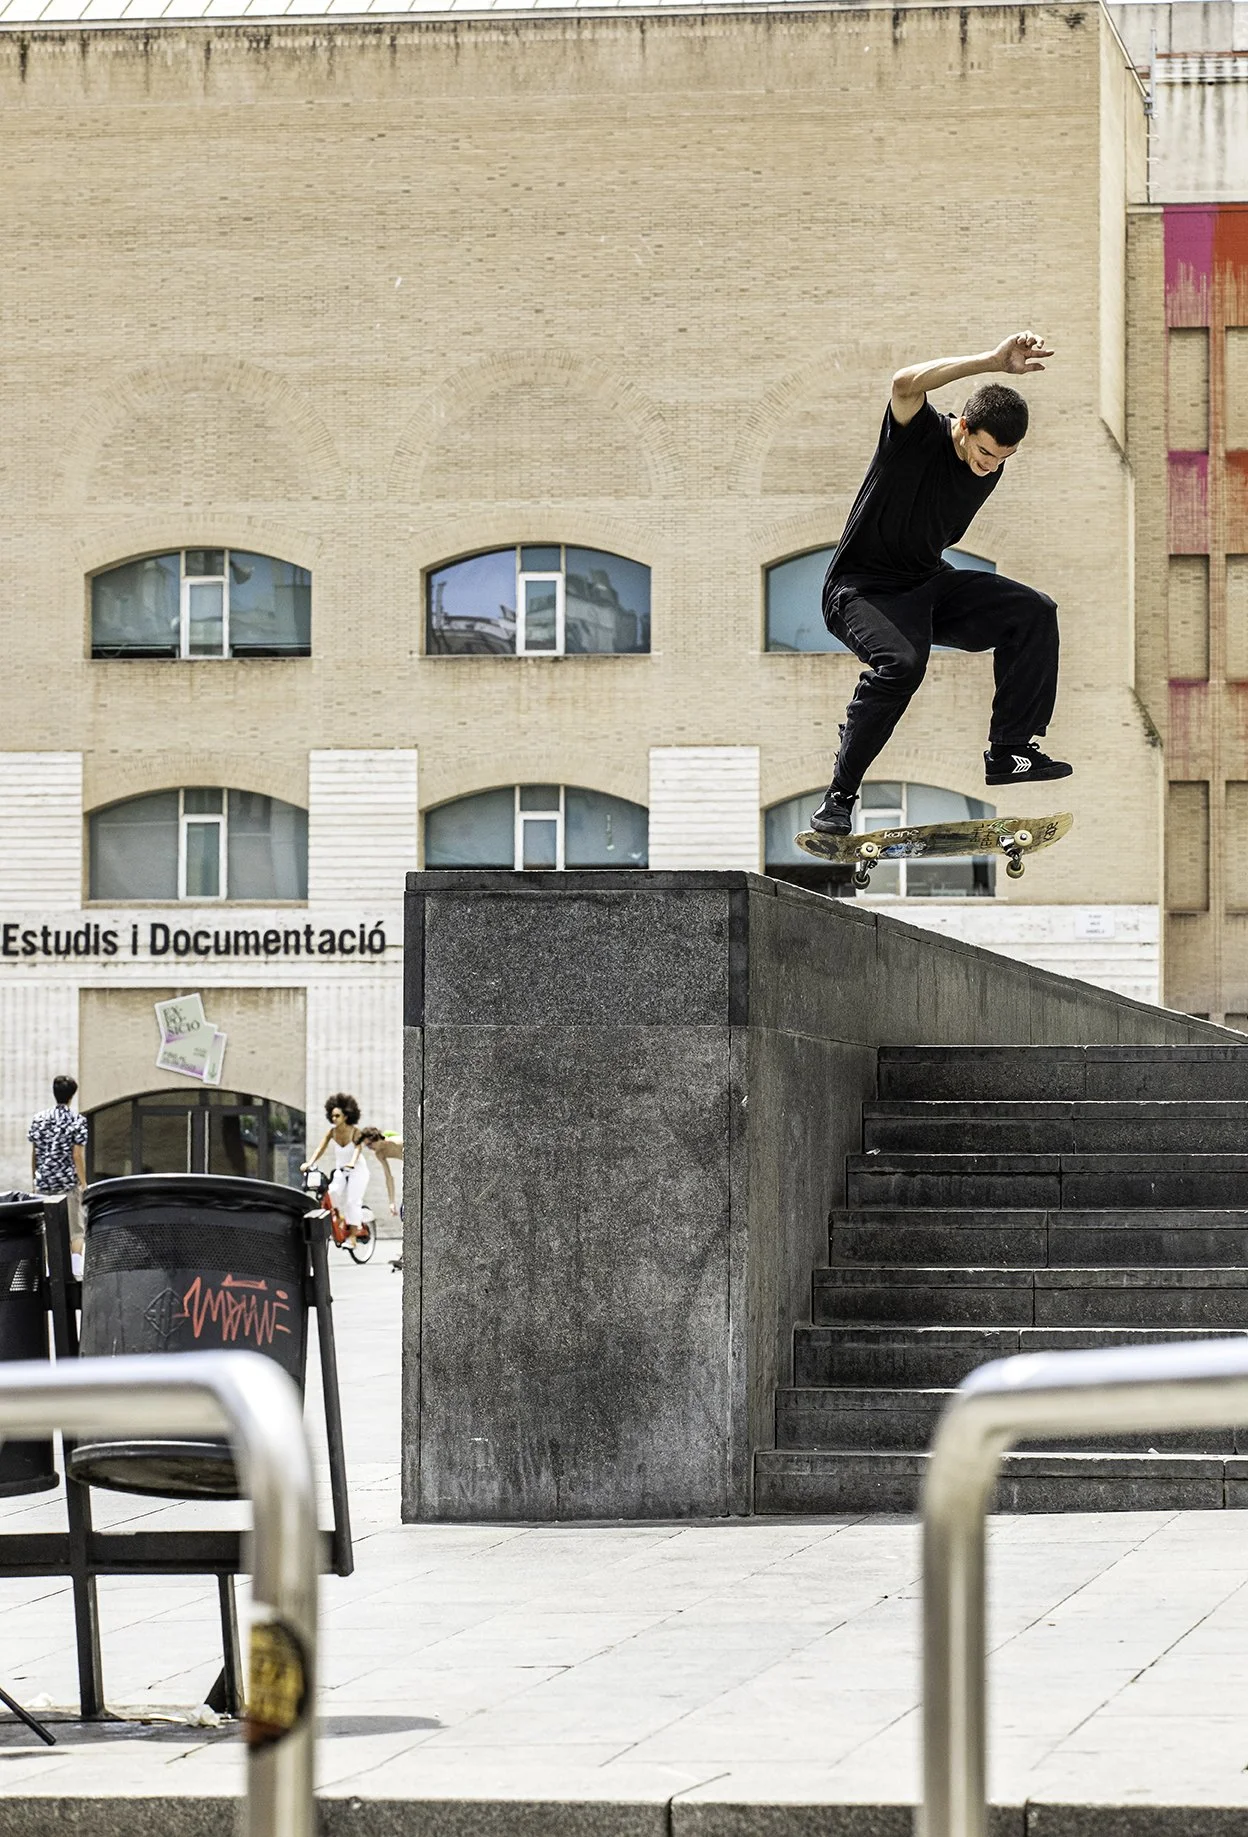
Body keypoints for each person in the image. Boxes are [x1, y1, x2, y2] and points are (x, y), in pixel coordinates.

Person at [810, 331, 1072, 837]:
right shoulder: (916, 433)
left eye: (1002, 459)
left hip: (925, 585)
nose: (990, 466)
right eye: (984, 452)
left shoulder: (987, 470)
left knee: (1034, 611)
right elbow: (903, 383)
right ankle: (838, 798)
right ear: (964, 426)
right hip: (860, 590)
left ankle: (1010, 749)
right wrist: (991, 361)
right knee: (901, 665)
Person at [28, 1074, 89, 1277]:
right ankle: (75, 1271)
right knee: (76, 1231)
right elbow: (77, 1155)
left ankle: (47, 1272)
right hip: (67, 1184)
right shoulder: (77, 1120)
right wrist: (83, 1182)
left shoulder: (39, 1119)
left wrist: (34, 1179)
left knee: (45, 1229)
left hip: (44, 1183)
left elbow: (35, 1153)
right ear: (72, 1096)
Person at [302, 1093, 368, 1247]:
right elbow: (320, 1148)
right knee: (331, 1193)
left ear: (346, 1116)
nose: (334, 1119)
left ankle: (352, 1239)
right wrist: (309, 1163)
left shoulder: (355, 1131)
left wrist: (352, 1162)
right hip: (340, 1170)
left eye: (337, 1116)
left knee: (353, 1202)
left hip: (357, 1170)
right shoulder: (332, 1132)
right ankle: (342, 1221)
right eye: (332, 1116)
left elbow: (358, 1149)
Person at [356, 1128, 404, 1216]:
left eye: (370, 1144)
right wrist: (391, 1203)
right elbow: (389, 1177)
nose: (370, 1148)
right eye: (367, 1146)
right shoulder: (379, 1154)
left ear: (377, 1138)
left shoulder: (395, 1141)